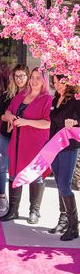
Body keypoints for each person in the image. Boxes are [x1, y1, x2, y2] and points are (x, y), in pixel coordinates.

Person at [0, 68, 52, 224]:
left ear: (44, 81)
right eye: (32, 77)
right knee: (14, 174)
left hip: (36, 144)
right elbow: (8, 111)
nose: (34, 81)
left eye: (38, 78)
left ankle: (34, 211)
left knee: (35, 177)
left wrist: (26, 122)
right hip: (17, 142)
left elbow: (48, 123)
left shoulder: (47, 99)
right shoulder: (21, 95)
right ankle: (13, 211)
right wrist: (10, 116)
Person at [48, 75, 79, 241]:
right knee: (60, 185)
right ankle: (64, 221)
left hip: (68, 147)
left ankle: (74, 227)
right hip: (53, 147)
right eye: (54, 82)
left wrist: (75, 121)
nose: (57, 85)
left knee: (64, 186)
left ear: (69, 81)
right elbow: (53, 124)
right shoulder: (55, 100)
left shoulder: (76, 99)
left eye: (60, 81)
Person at [0, 64, 29, 212]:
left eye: (22, 76)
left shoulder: (32, 95)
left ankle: (17, 204)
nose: (19, 79)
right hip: (6, 134)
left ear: (27, 76)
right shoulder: (7, 94)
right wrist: (7, 116)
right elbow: (0, 114)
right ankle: (2, 197)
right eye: (17, 76)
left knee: (18, 168)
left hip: (23, 136)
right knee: (1, 165)